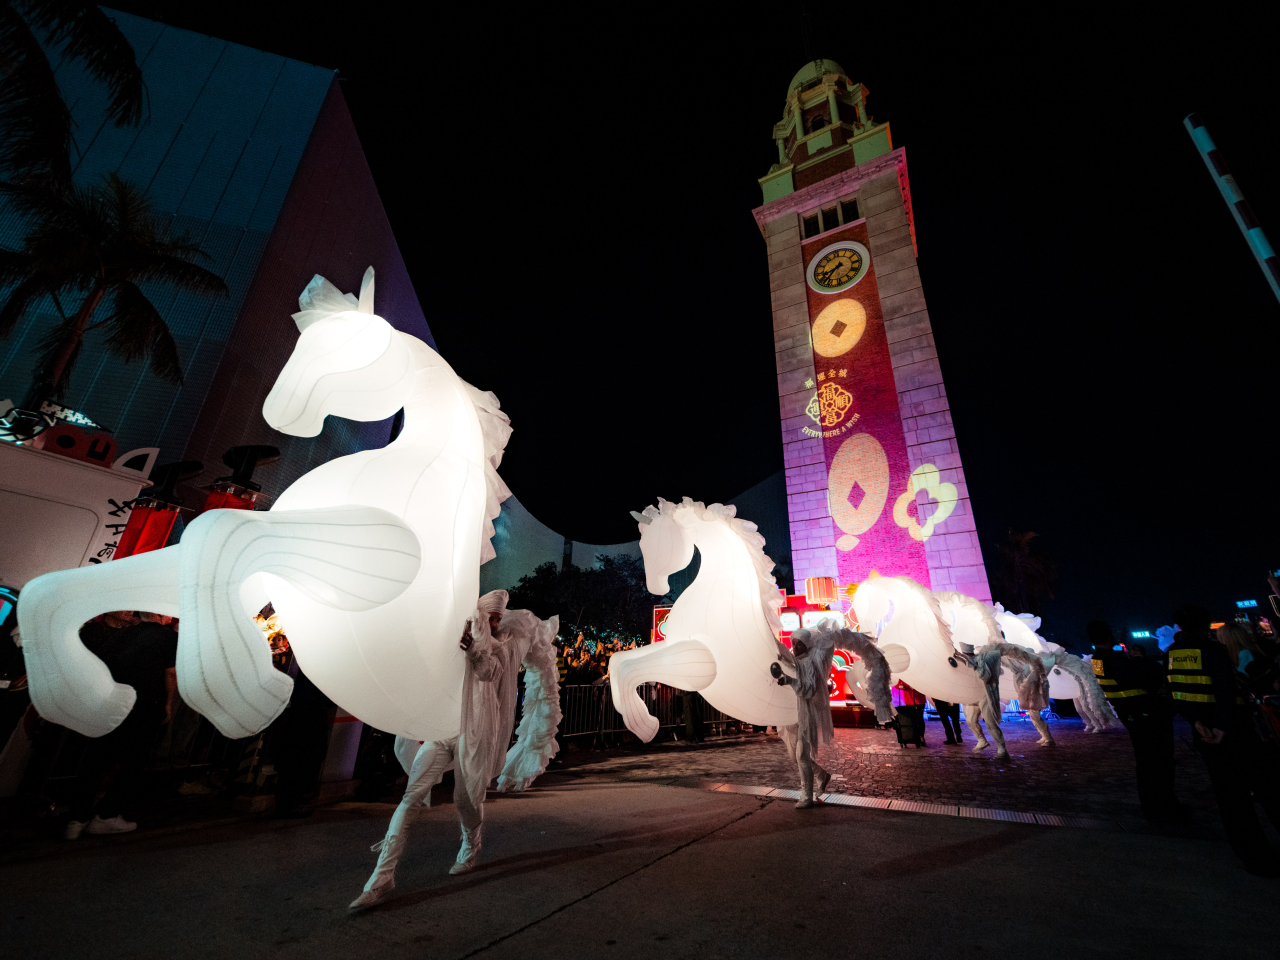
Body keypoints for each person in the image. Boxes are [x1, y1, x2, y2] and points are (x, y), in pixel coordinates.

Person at [350, 591, 560, 909]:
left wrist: (476, 649)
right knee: (412, 796)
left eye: (498, 619)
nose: (494, 623)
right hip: (441, 734)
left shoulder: (500, 646)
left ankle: (470, 842)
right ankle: (381, 878)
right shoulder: (453, 637)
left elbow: (490, 671)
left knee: (465, 800)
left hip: (473, 738)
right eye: (490, 618)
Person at [1167, 606, 1280, 876]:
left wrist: (1196, 722)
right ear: (1207, 626)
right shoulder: (1214, 650)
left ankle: (1252, 857)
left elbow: (1175, 690)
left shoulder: (1172, 654)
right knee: (1266, 786)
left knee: (1229, 796)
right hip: (1234, 730)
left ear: (1180, 627)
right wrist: (1220, 725)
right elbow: (1225, 691)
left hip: (1202, 732)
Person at [64, 612, 179, 839]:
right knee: (134, 762)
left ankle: (76, 819)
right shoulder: (166, 638)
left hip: (114, 702)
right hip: (145, 705)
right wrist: (167, 703)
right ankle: (106, 816)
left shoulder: (124, 634)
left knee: (96, 759)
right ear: (157, 614)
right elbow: (171, 673)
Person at [1088, 620, 1180, 821]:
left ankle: (1153, 804)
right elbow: (1144, 678)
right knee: (1157, 761)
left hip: (1130, 713)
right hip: (1145, 713)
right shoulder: (1116, 661)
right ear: (1110, 637)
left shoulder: (1099, 659)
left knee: (1146, 761)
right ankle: (1162, 805)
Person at [770, 627, 836, 808]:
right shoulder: (791, 661)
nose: (796, 647)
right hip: (791, 714)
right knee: (795, 756)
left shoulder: (810, 663)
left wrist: (790, 681)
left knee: (801, 754)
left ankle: (806, 796)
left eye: (800, 644)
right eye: (794, 643)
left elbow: (808, 689)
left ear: (807, 645)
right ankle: (821, 775)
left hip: (806, 715)